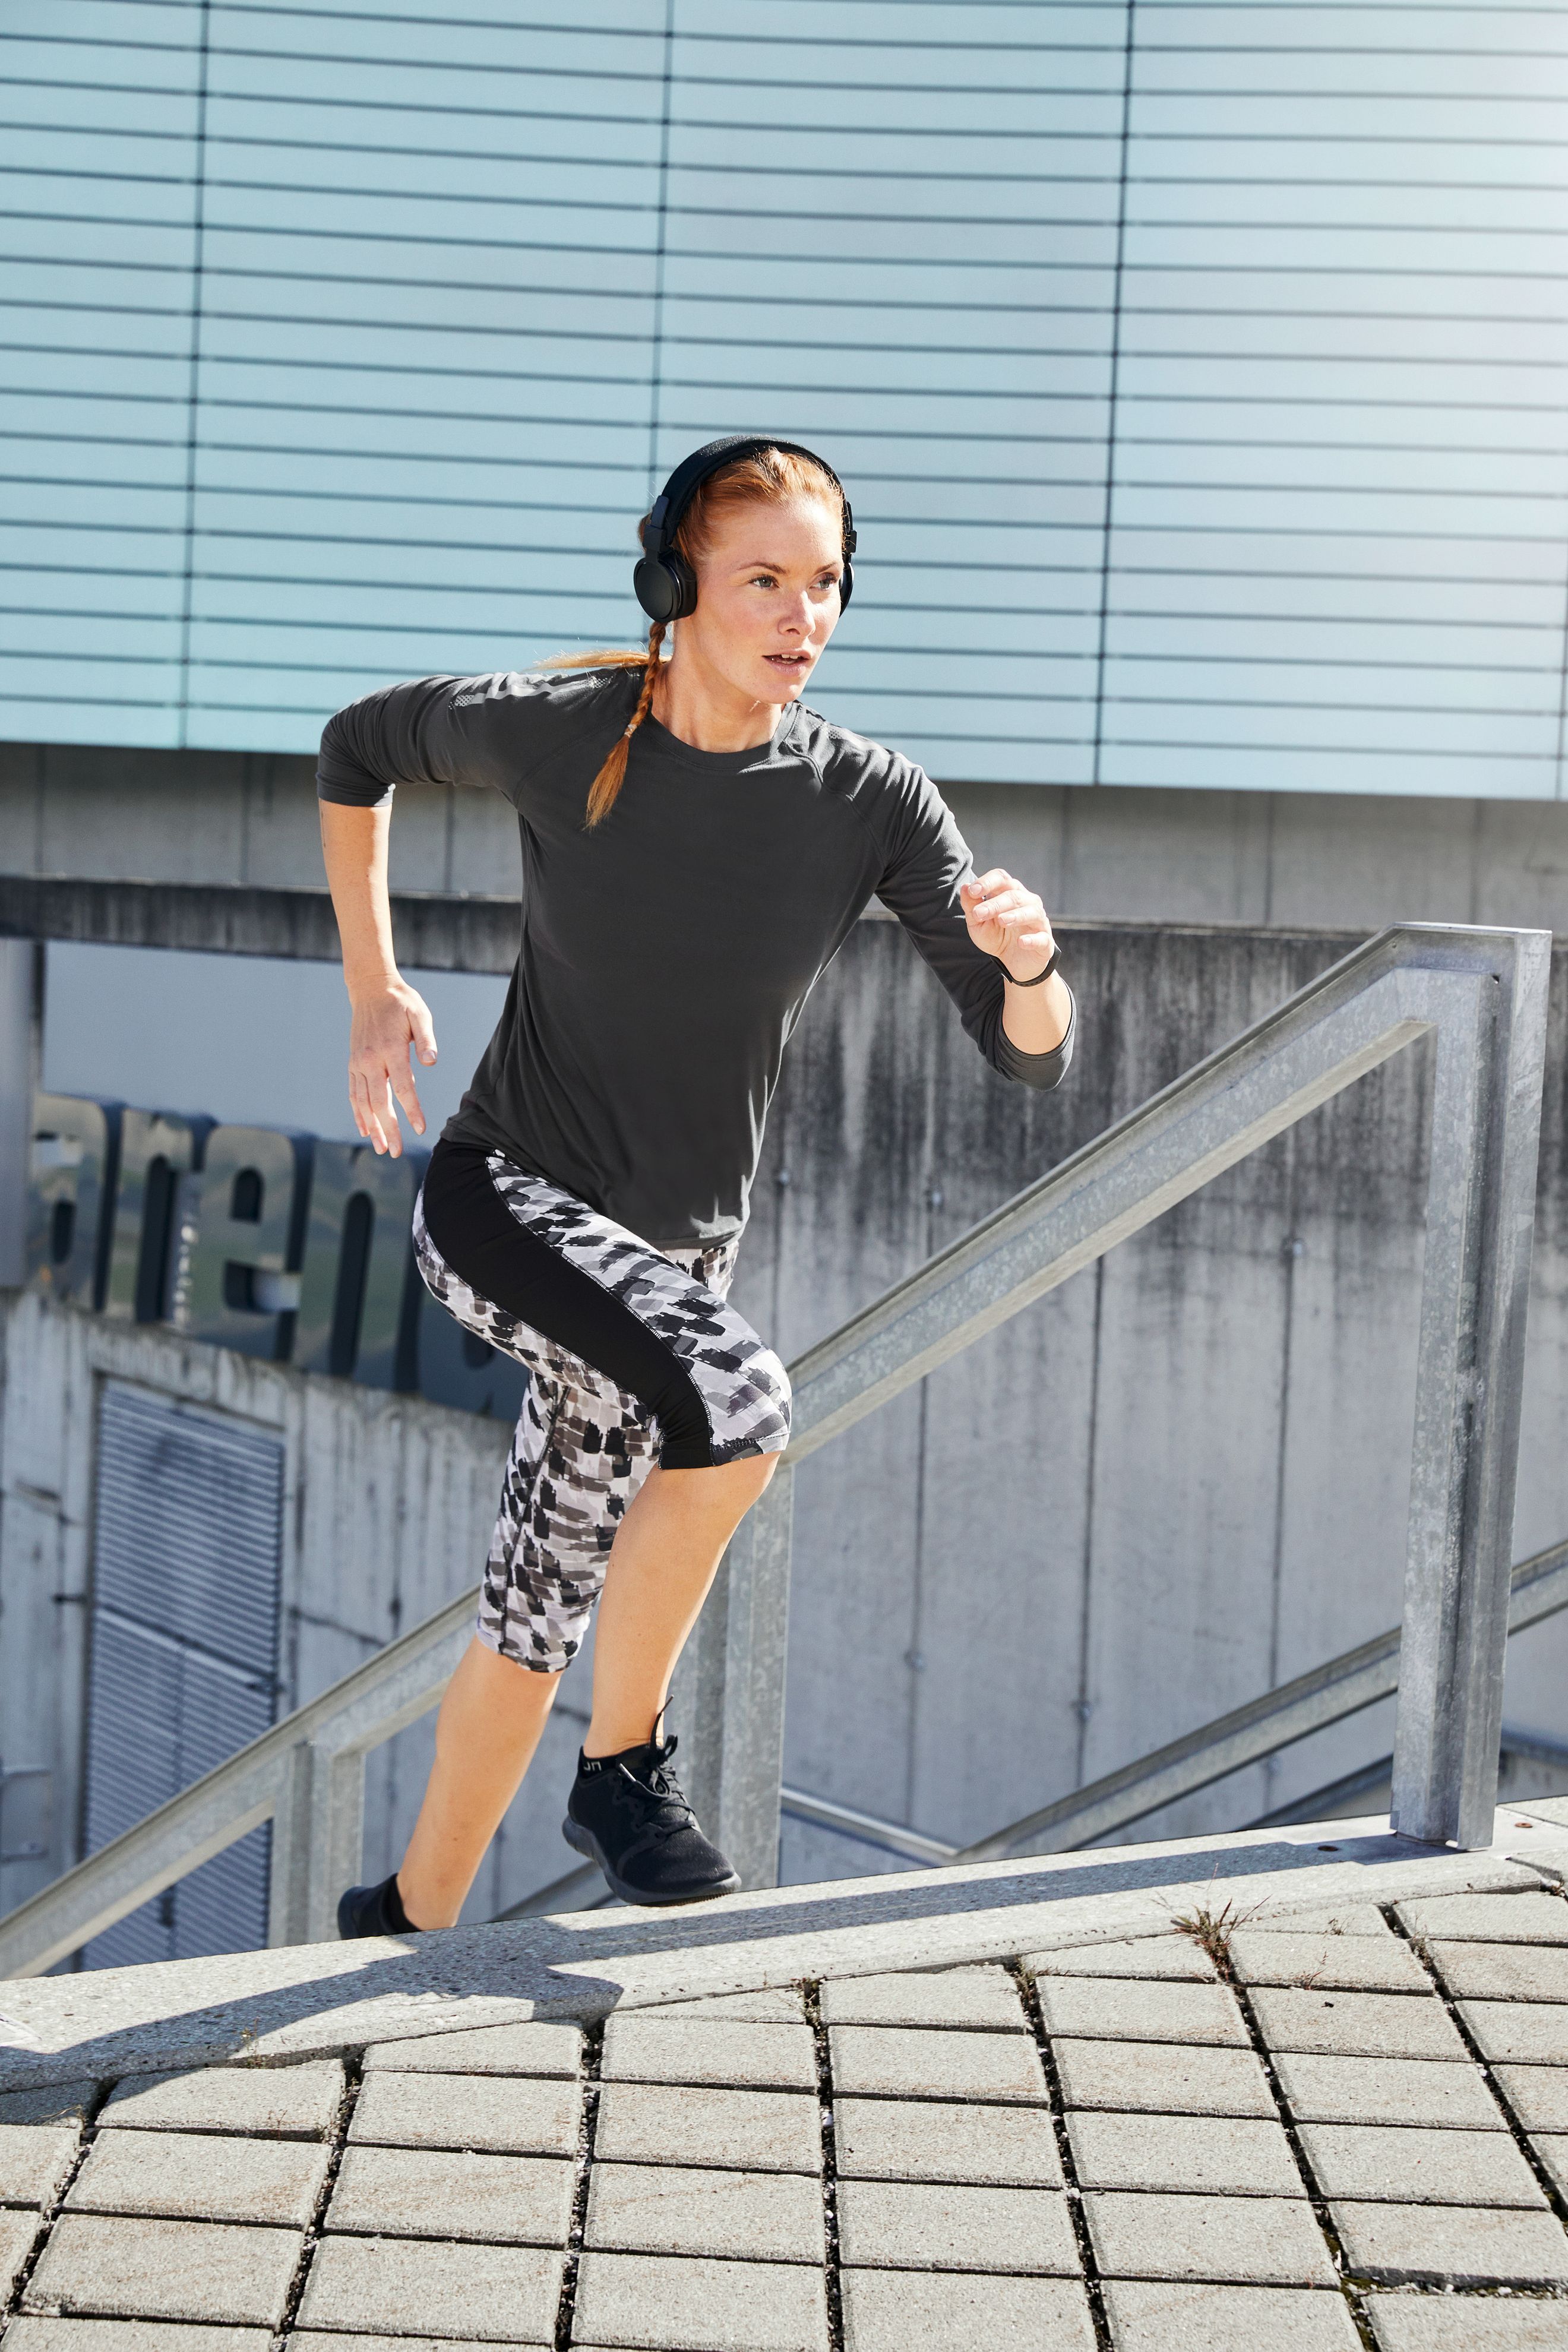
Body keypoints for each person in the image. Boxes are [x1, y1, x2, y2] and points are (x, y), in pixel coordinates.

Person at [318, 435, 1075, 1931]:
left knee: (534, 1613)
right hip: (505, 1203)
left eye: (827, 584)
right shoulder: (562, 729)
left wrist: (1033, 965)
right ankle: (624, 1774)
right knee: (739, 1401)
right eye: (764, 581)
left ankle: (401, 1925)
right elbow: (356, 749)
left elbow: (1027, 1055)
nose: (804, 616)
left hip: (670, 1270)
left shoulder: (868, 797)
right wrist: (372, 986)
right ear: (676, 582)